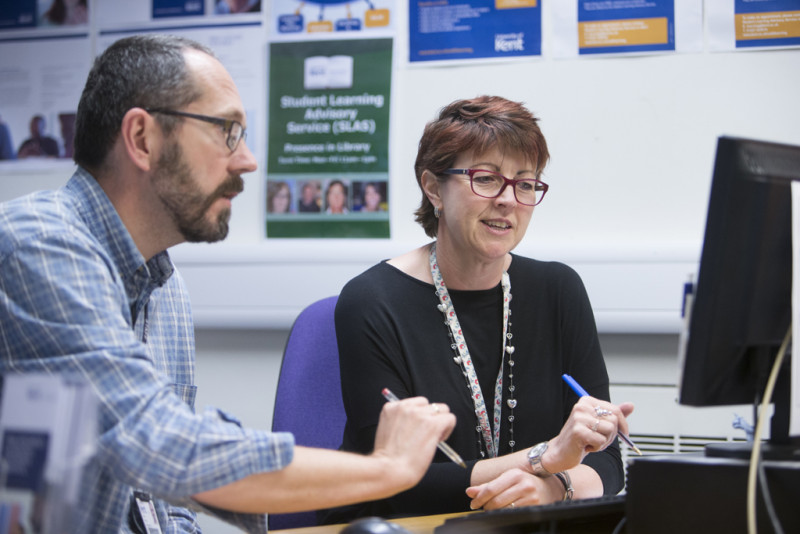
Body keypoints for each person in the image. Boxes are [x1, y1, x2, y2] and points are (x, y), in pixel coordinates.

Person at [0, 34, 456, 533]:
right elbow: (169, 447)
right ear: (142, 138)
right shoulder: (38, 246)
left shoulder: (163, 286)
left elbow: (163, 492)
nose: (248, 161)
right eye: (228, 132)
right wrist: (384, 470)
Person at [324, 96, 635, 523]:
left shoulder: (559, 290)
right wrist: (548, 458)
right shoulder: (372, 301)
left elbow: (606, 458)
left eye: (525, 184)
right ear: (433, 187)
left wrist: (550, 488)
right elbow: (401, 485)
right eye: (486, 179)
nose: (508, 200)